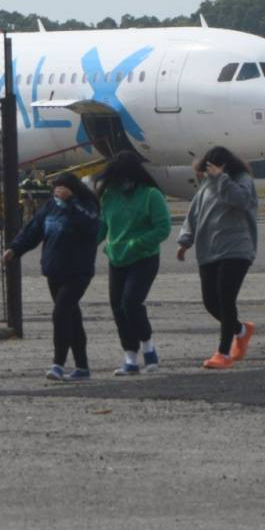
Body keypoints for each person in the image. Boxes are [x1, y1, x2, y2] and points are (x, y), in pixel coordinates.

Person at [6, 172, 101, 380]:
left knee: (61, 313)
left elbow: (90, 225)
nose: (59, 192)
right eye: (57, 188)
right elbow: (33, 230)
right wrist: (15, 249)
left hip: (78, 271)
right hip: (54, 270)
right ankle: (82, 367)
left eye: (63, 187)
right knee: (71, 317)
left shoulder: (86, 206)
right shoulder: (51, 206)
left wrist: (71, 202)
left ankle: (58, 364)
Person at [177, 146, 260, 369]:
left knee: (226, 299)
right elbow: (194, 214)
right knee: (210, 301)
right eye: (208, 167)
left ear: (226, 165)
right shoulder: (206, 185)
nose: (210, 171)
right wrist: (185, 241)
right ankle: (241, 330)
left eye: (215, 167)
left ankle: (223, 353)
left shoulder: (241, 180)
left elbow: (241, 201)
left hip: (236, 248)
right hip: (209, 249)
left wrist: (222, 179)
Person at [95, 150, 172, 375]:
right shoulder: (109, 195)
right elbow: (103, 226)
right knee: (117, 308)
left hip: (144, 257)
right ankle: (130, 357)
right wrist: (87, 245)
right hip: (116, 258)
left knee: (131, 302)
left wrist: (137, 243)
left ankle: (148, 347)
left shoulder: (151, 195)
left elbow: (163, 228)